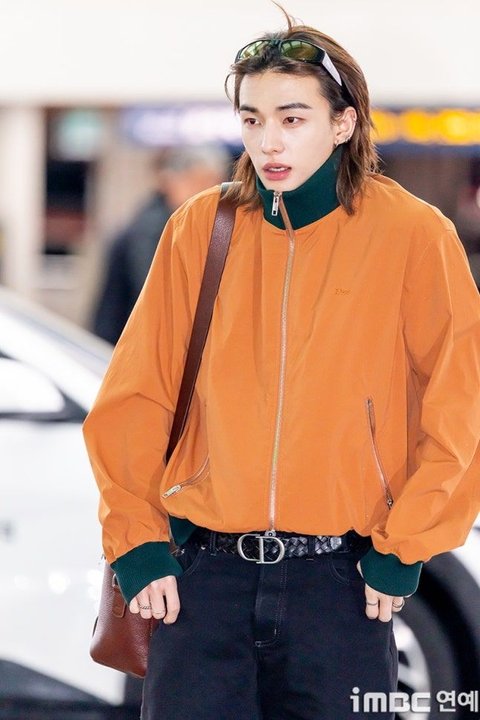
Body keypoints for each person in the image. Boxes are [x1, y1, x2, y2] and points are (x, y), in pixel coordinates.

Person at [83, 11, 480, 720]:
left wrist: (405, 547)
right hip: (199, 584)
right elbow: (135, 397)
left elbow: (461, 404)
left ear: (343, 123)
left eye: (292, 119)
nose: (269, 141)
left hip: (343, 586)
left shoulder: (415, 237)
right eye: (252, 119)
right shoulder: (201, 228)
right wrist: (138, 545)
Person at [91, 144, 229, 344]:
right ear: (170, 181)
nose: (207, 191)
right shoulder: (149, 231)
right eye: (197, 181)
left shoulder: (209, 226)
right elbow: (155, 297)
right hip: (143, 345)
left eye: (214, 182)